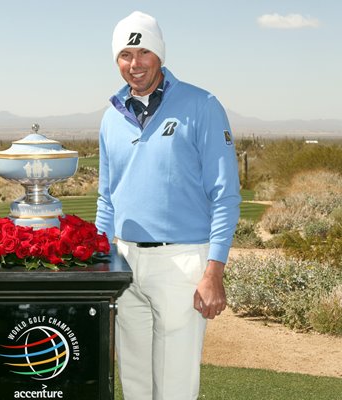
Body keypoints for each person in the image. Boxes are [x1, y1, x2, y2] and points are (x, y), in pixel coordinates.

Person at [95, 12, 241, 400]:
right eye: (125, 53)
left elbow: (225, 195)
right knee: (137, 382)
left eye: (144, 51)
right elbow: (106, 198)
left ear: (159, 54)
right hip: (125, 262)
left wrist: (214, 271)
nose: (135, 63)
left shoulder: (202, 105)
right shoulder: (111, 117)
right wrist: (101, 263)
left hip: (181, 263)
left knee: (174, 386)